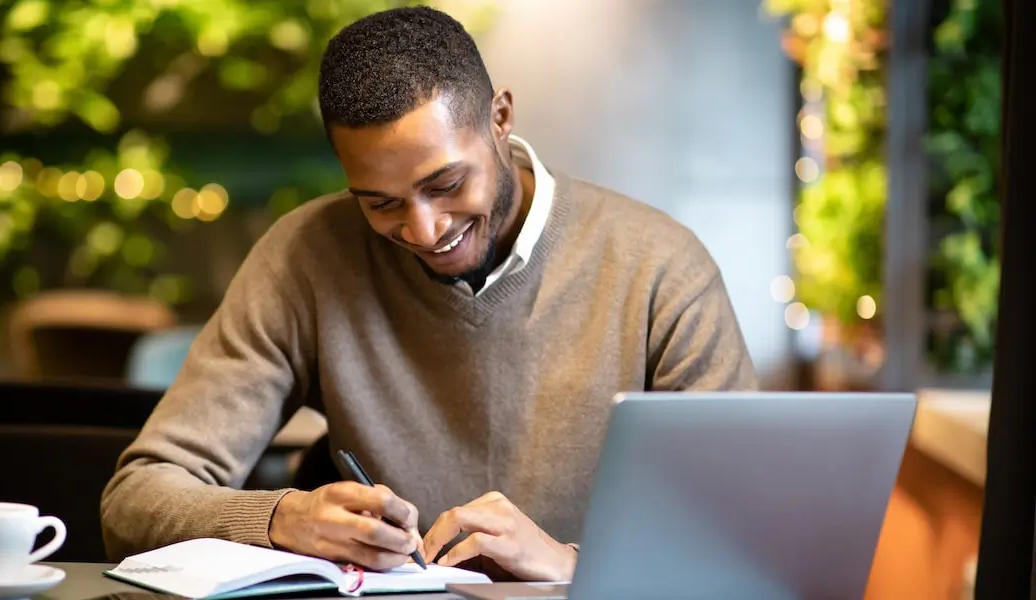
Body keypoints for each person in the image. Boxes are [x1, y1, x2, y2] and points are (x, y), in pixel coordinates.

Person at [100, 5, 756, 582]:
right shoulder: (306, 257)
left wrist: (570, 564)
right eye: (380, 202)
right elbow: (134, 500)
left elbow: (746, 533)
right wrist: (281, 518)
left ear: (500, 117)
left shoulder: (659, 267)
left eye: (445, 185)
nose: (423, 230)